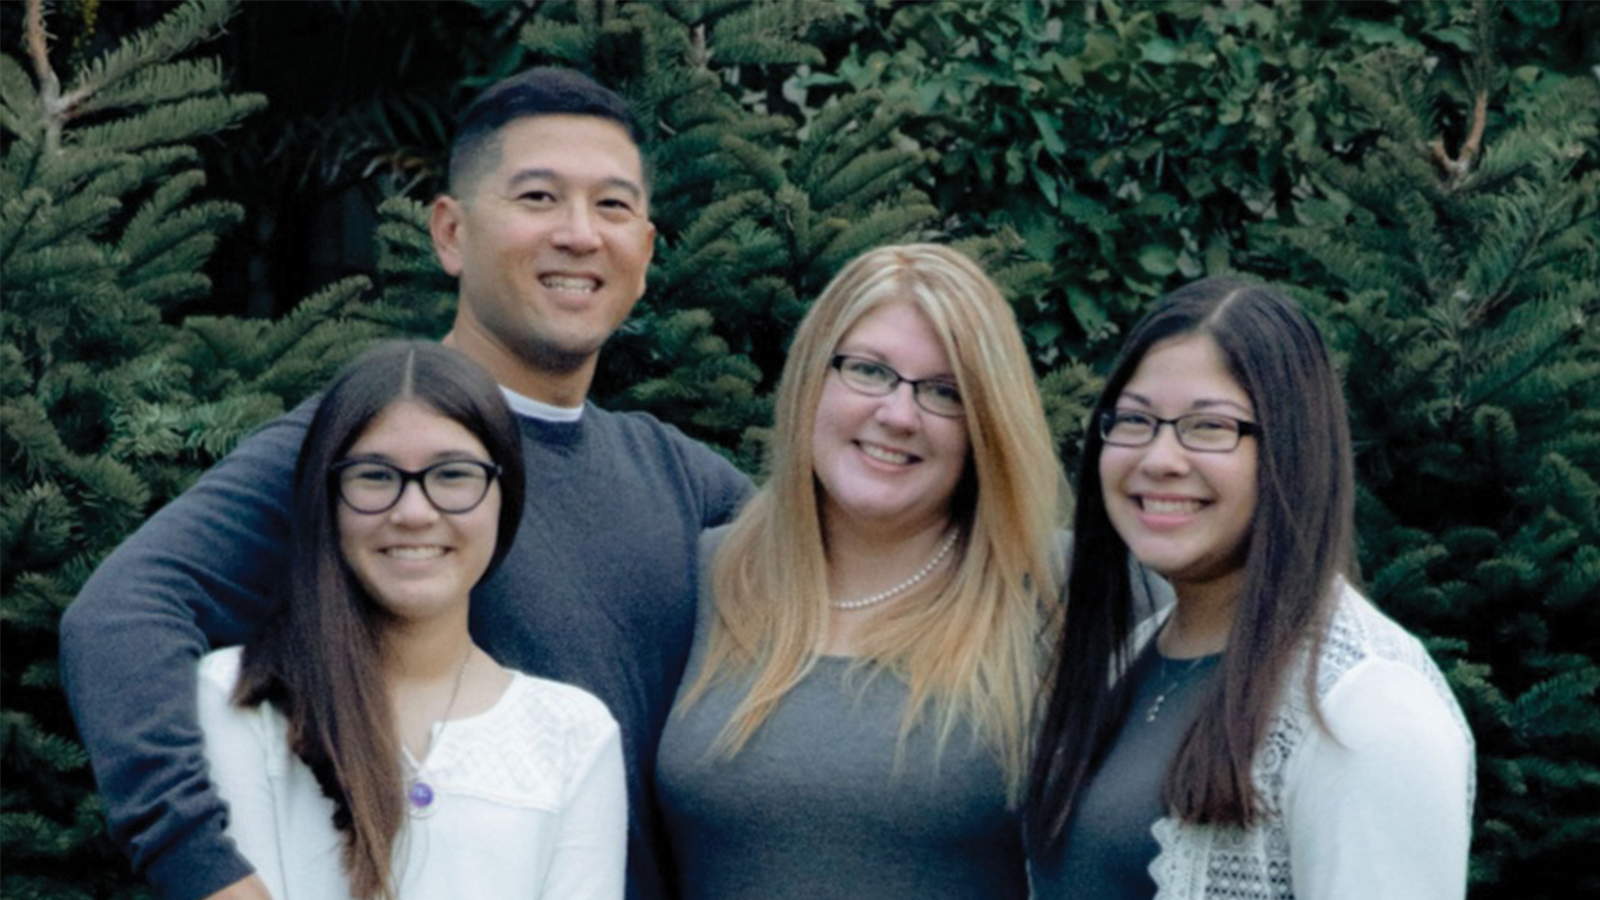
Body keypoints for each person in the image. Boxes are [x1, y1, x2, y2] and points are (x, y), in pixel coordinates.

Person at [58, 68, 752, 900]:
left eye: (612, 205)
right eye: (537, 198)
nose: (579, 233)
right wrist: (207, 868)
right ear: (451, 233)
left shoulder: (687, 483)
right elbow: (122, 616)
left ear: (645, 250)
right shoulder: (364, 450)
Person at [1025, 277, 1474, 899]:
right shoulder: (1128, 660)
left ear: (1293, 448)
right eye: (1135, 420)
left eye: (1208, 427)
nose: (1159, 457)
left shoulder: (1366, 711)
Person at [656, 244, 1066, 899]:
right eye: (869, 371)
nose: (899, 415)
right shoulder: (706, 577)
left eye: (943, 392)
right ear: (812, 376)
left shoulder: (1054, 587)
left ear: (986, 422)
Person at [197, 340, 624, 898]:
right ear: (327, 498)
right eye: (374, 477)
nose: (414, 513)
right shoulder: (238, 700)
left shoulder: (573, 737)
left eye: (453, 475)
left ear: (505, 495)